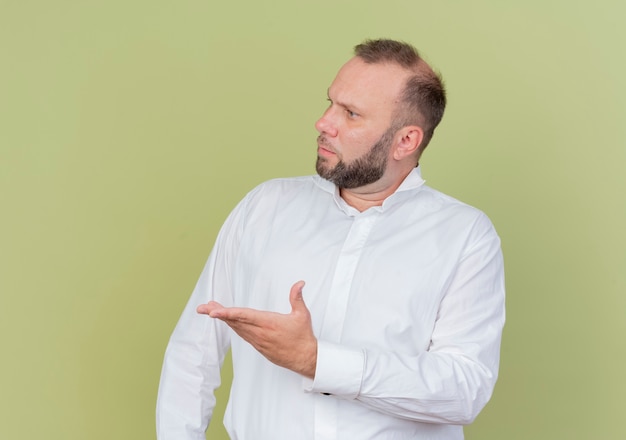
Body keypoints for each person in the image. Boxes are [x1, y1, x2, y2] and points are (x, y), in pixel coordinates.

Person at [156, 38, 505, 440]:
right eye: (330, 103)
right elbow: (193, 352)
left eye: (351, 113)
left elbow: (464, 390)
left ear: (406, 141)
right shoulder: (265, 207)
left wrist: (317, 361)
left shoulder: (465, 236)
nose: (324, 122)